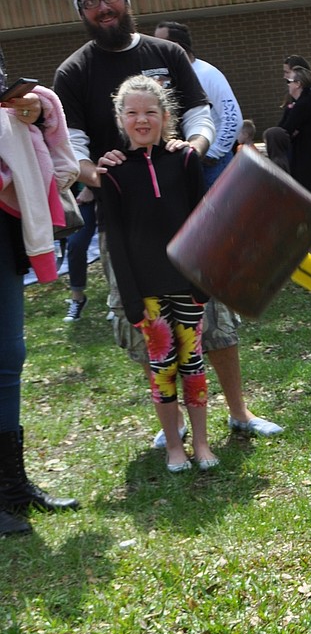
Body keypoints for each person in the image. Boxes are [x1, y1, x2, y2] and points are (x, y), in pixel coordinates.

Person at [53, 0, 282, 441]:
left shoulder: (167, 53)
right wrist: (107, 175)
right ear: (80, 11)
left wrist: (190, 152)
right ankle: (172, 423)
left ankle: (239, 411)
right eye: (91, 1)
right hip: (125, 222)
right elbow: (72, 149)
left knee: (212, 314)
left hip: (189, 214)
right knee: (147, 320)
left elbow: (201, 115)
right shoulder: (74, 71)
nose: (103, 7)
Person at [98, 75, 217, 473]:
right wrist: (131, 299)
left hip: (187, 285)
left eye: (150, 112)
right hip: (147, 293)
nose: (142, 120)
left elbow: (204, 221)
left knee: (194, 365)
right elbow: (115, 240)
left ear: (166, 116)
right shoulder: (112, 173)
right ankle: (173, 446)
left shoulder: (184, 160)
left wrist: (204, 282)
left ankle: (201, 442)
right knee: (162, 369)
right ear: (120, 119)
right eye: (132, 113)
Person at [0, 61, 80, 537]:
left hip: (5, 232)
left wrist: (35, 110)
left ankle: (12, 487)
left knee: (10, 354)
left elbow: (32, 116)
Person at [153, 20, 244, 189]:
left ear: (176, 45)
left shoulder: (208, 74)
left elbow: (233, 118)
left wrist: (213, 153)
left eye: (159, 42)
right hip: (184, 162)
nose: (154, 47)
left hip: (212, 163)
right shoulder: (167, 76)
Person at [280, 64, 311, 260]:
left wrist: (291, 115)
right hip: (308, 165)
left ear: (298, 83)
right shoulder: (303, 102)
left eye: (289, 81)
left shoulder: (304, 103)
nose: (288, 86)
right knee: (310, 208)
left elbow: (284, 129)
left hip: (307, 166)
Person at [63, 184, 97, 321]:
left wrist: (91, 188)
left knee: (110, 245)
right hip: (79, 198)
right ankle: (78, 298)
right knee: (75, 243)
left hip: (110, 191)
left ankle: (117, 300)